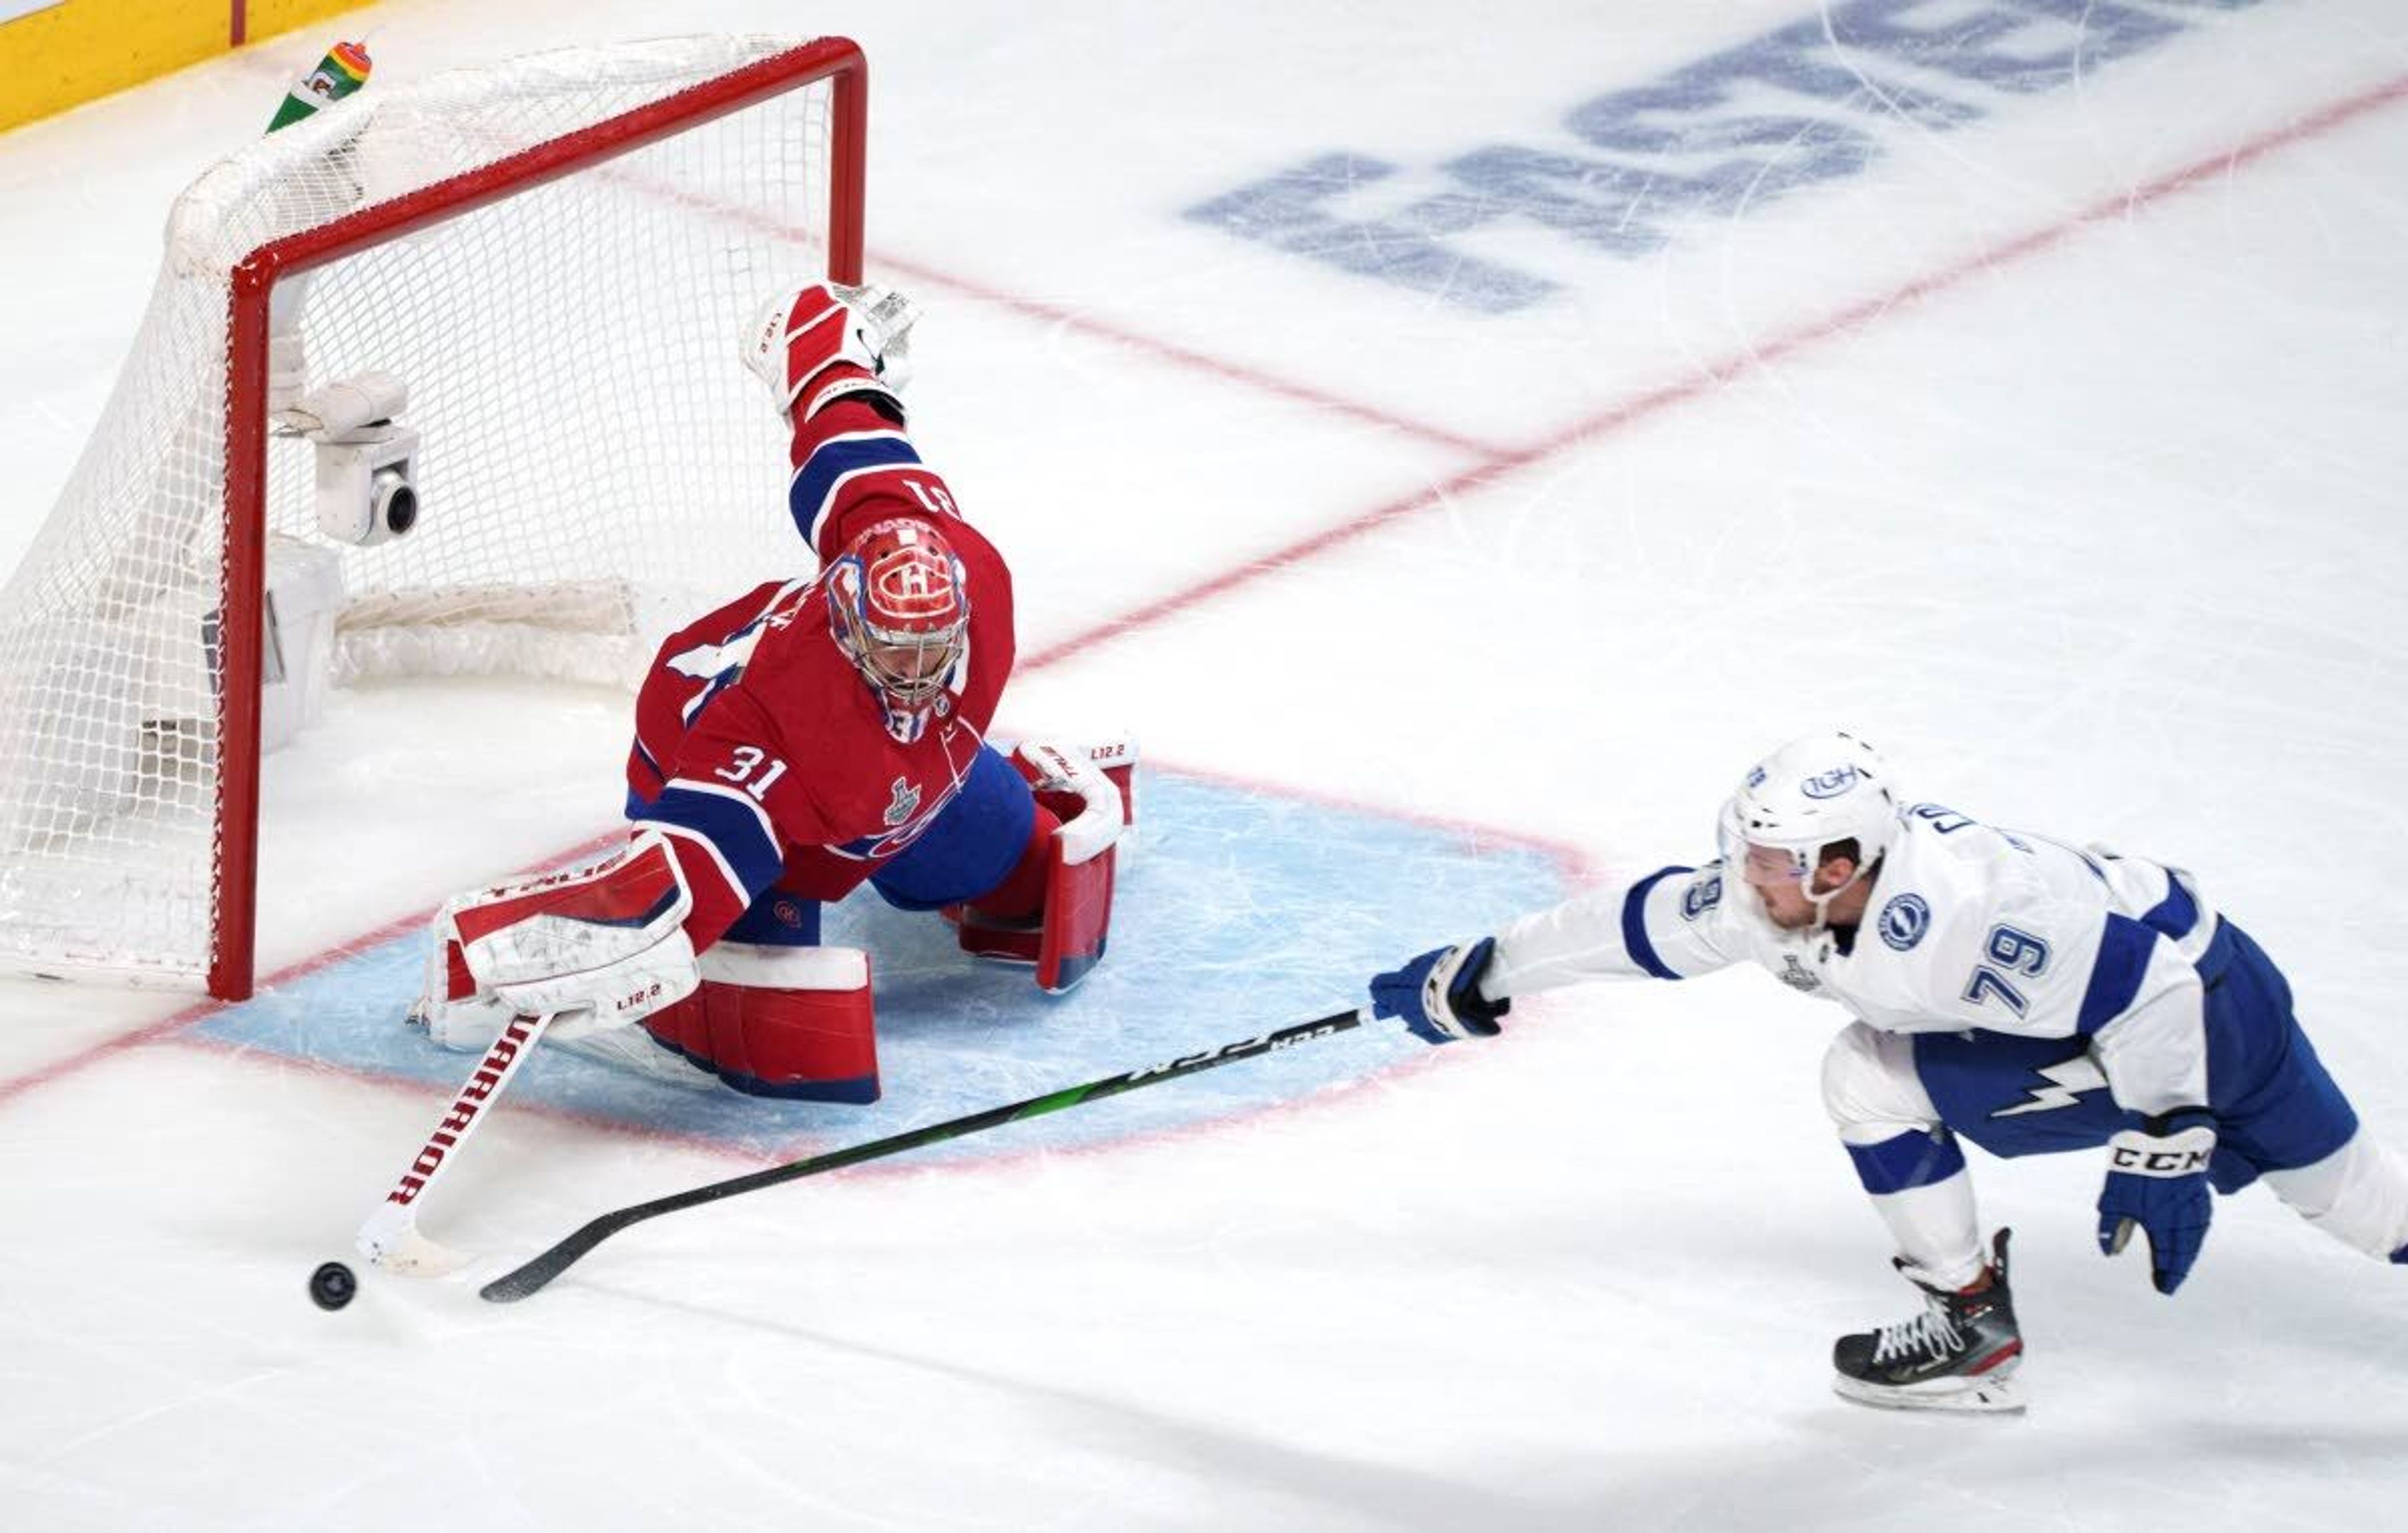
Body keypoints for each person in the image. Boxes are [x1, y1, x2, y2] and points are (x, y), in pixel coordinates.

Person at [1369, 731, 2408, 1413]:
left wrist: (2169, 1133)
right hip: (2117, 1016)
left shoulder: (1962, 918)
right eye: (1750, 850)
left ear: (1840, 866)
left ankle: (1974, 1325)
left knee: (2358, 1206)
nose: (1745, 873)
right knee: (1869, 1074)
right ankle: (1970, 1320)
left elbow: (2154, 987)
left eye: (1770, 859)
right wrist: (1491, 963)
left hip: (2205, 1009)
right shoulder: (1776, 890)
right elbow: (1640, 924)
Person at [408, 280, 1133, 1102]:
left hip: (913, 791)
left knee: (1031, 877)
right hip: (713, 746)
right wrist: (495, 958)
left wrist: (822, 351)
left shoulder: (966, 567)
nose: (925, 673)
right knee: (785, 1031)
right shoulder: (775, 721)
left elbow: (854, 448)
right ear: (853, 628)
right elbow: (674, 883)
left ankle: (951, 834)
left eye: (940, 647)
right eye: (900, 655)